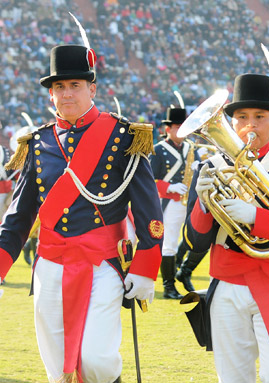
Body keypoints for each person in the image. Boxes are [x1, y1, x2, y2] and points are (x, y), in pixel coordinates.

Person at [0, 43, 162, 383]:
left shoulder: (123, 136)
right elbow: (19, 216)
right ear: (51, 94)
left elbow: (149, 209)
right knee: (58, 367)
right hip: (50, 263)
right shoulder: (37, 143)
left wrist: (147, 267)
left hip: (102, 262)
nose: (66, 93)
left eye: (75, 85)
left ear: (93, 88)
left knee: (96, 360)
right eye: (59, 86)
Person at [182, 73, 269, 382]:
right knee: (232, 377)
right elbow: (194, 241)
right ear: (231, 123)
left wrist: (255, 216)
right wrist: (203, 204)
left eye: (260, 117)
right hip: (226, 285)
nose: (250, 125)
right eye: (242, 117)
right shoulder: (209, 168)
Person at [150, 104, 197, 299]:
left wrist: (199, 167)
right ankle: (169, 286)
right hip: (169, 202)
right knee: (168, 244)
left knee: (194, 239)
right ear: (167, 129)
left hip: (189, 202)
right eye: (176, 127)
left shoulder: (191, 148)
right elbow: (149, 181)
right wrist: (169, 187)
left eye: (183, 126)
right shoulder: (158, 150)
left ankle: (182, 271)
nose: (180, 130)